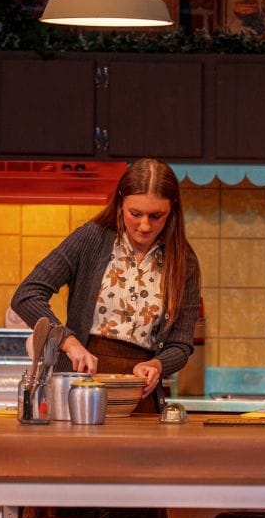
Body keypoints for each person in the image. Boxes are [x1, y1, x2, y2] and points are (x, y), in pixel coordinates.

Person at [12, 157, 201, 414]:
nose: (145, 225)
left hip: (140, 399)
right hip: (79, 393)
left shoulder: (184, 261)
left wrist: (157, 365)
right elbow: (27, 295)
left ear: (173, 210)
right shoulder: (92, 239)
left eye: (156, 216)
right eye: (135, 214)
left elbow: (180, 345)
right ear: (120, 202)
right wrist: (68, 341)